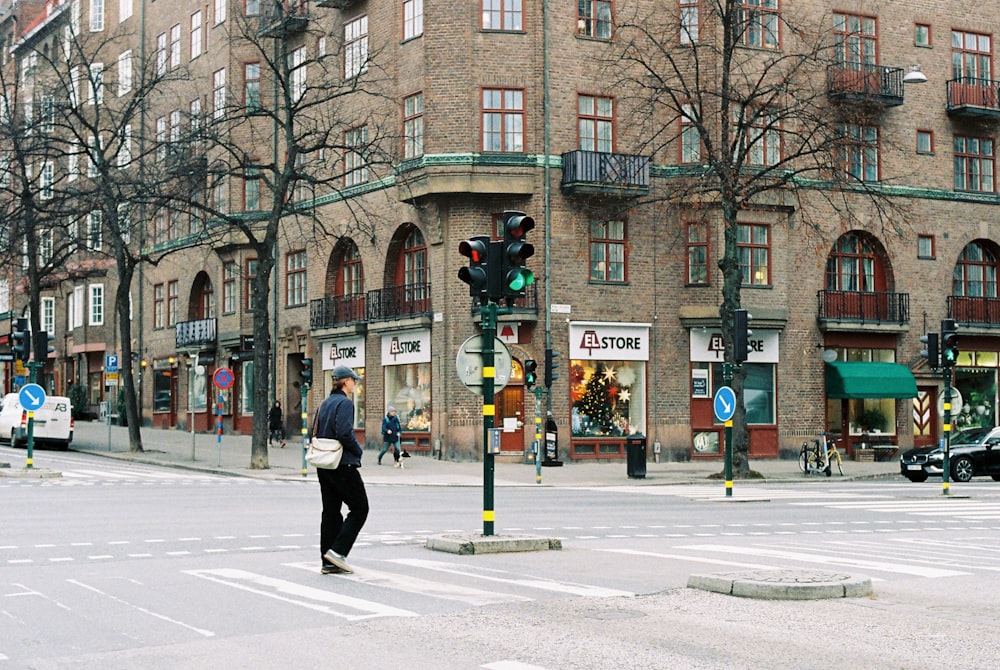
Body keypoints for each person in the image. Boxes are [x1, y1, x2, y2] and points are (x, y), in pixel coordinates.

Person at [313, 366, 368, 575]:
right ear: (346, 382)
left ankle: (327, 561)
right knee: (360, 507)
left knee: (331, 512)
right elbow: (344, 433)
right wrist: (357, 449)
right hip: (342, 463)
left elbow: (314, 431)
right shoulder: (345, 403)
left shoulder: (324, 403)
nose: (355, 384)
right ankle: (337, 552)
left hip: (324, 464)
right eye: (354, 380)